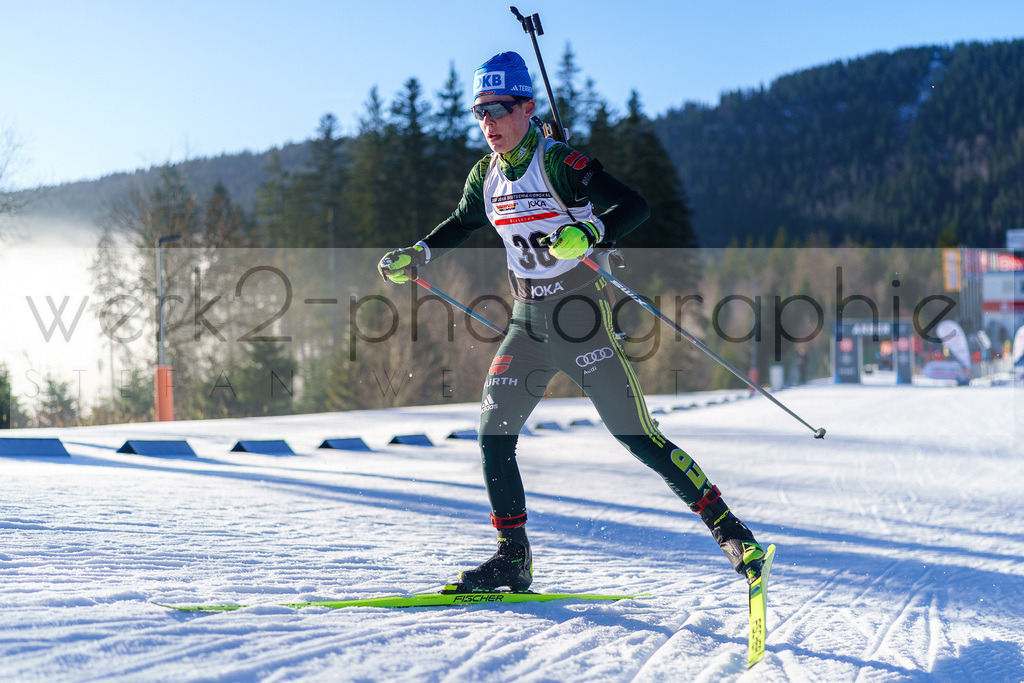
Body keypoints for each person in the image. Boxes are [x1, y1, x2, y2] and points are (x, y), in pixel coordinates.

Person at [378, 51, 765, 591]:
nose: (487, 122)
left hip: (581, 316)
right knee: (493, 434)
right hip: (528, 323)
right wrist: (417, 253)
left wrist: (592, 233)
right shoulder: (484, 177)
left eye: (498, 109)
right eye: (479, 112)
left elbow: (635, 206)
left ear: (526, 108)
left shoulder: (561, 162)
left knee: (636, 436)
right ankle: (513, 556)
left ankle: (731, 531)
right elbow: (463, 222)